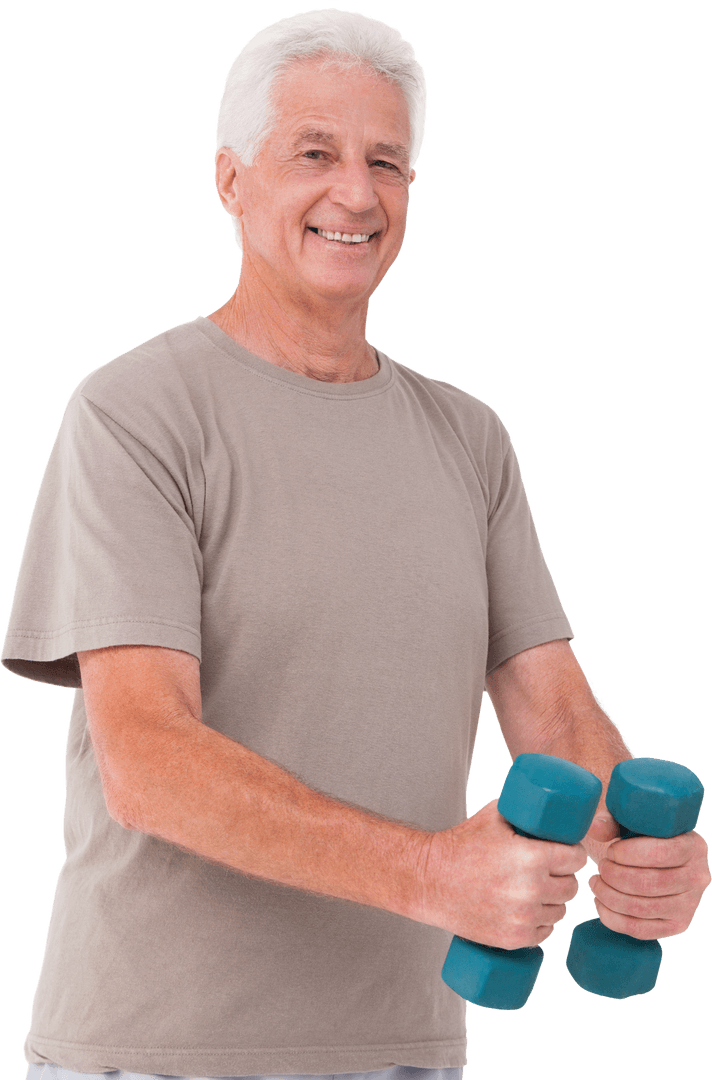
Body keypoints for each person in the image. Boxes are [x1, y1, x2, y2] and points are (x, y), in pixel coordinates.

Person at [3, 8, 709, 1080]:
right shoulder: (134, 412)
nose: (357, 192)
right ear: (231, 180)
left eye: (387, 160)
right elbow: (147, 758)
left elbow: (551, 705)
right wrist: (433, 875)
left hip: (402, 1051)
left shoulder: (468, 436)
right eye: (315, 153)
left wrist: (646, 854)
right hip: (157, 1052)